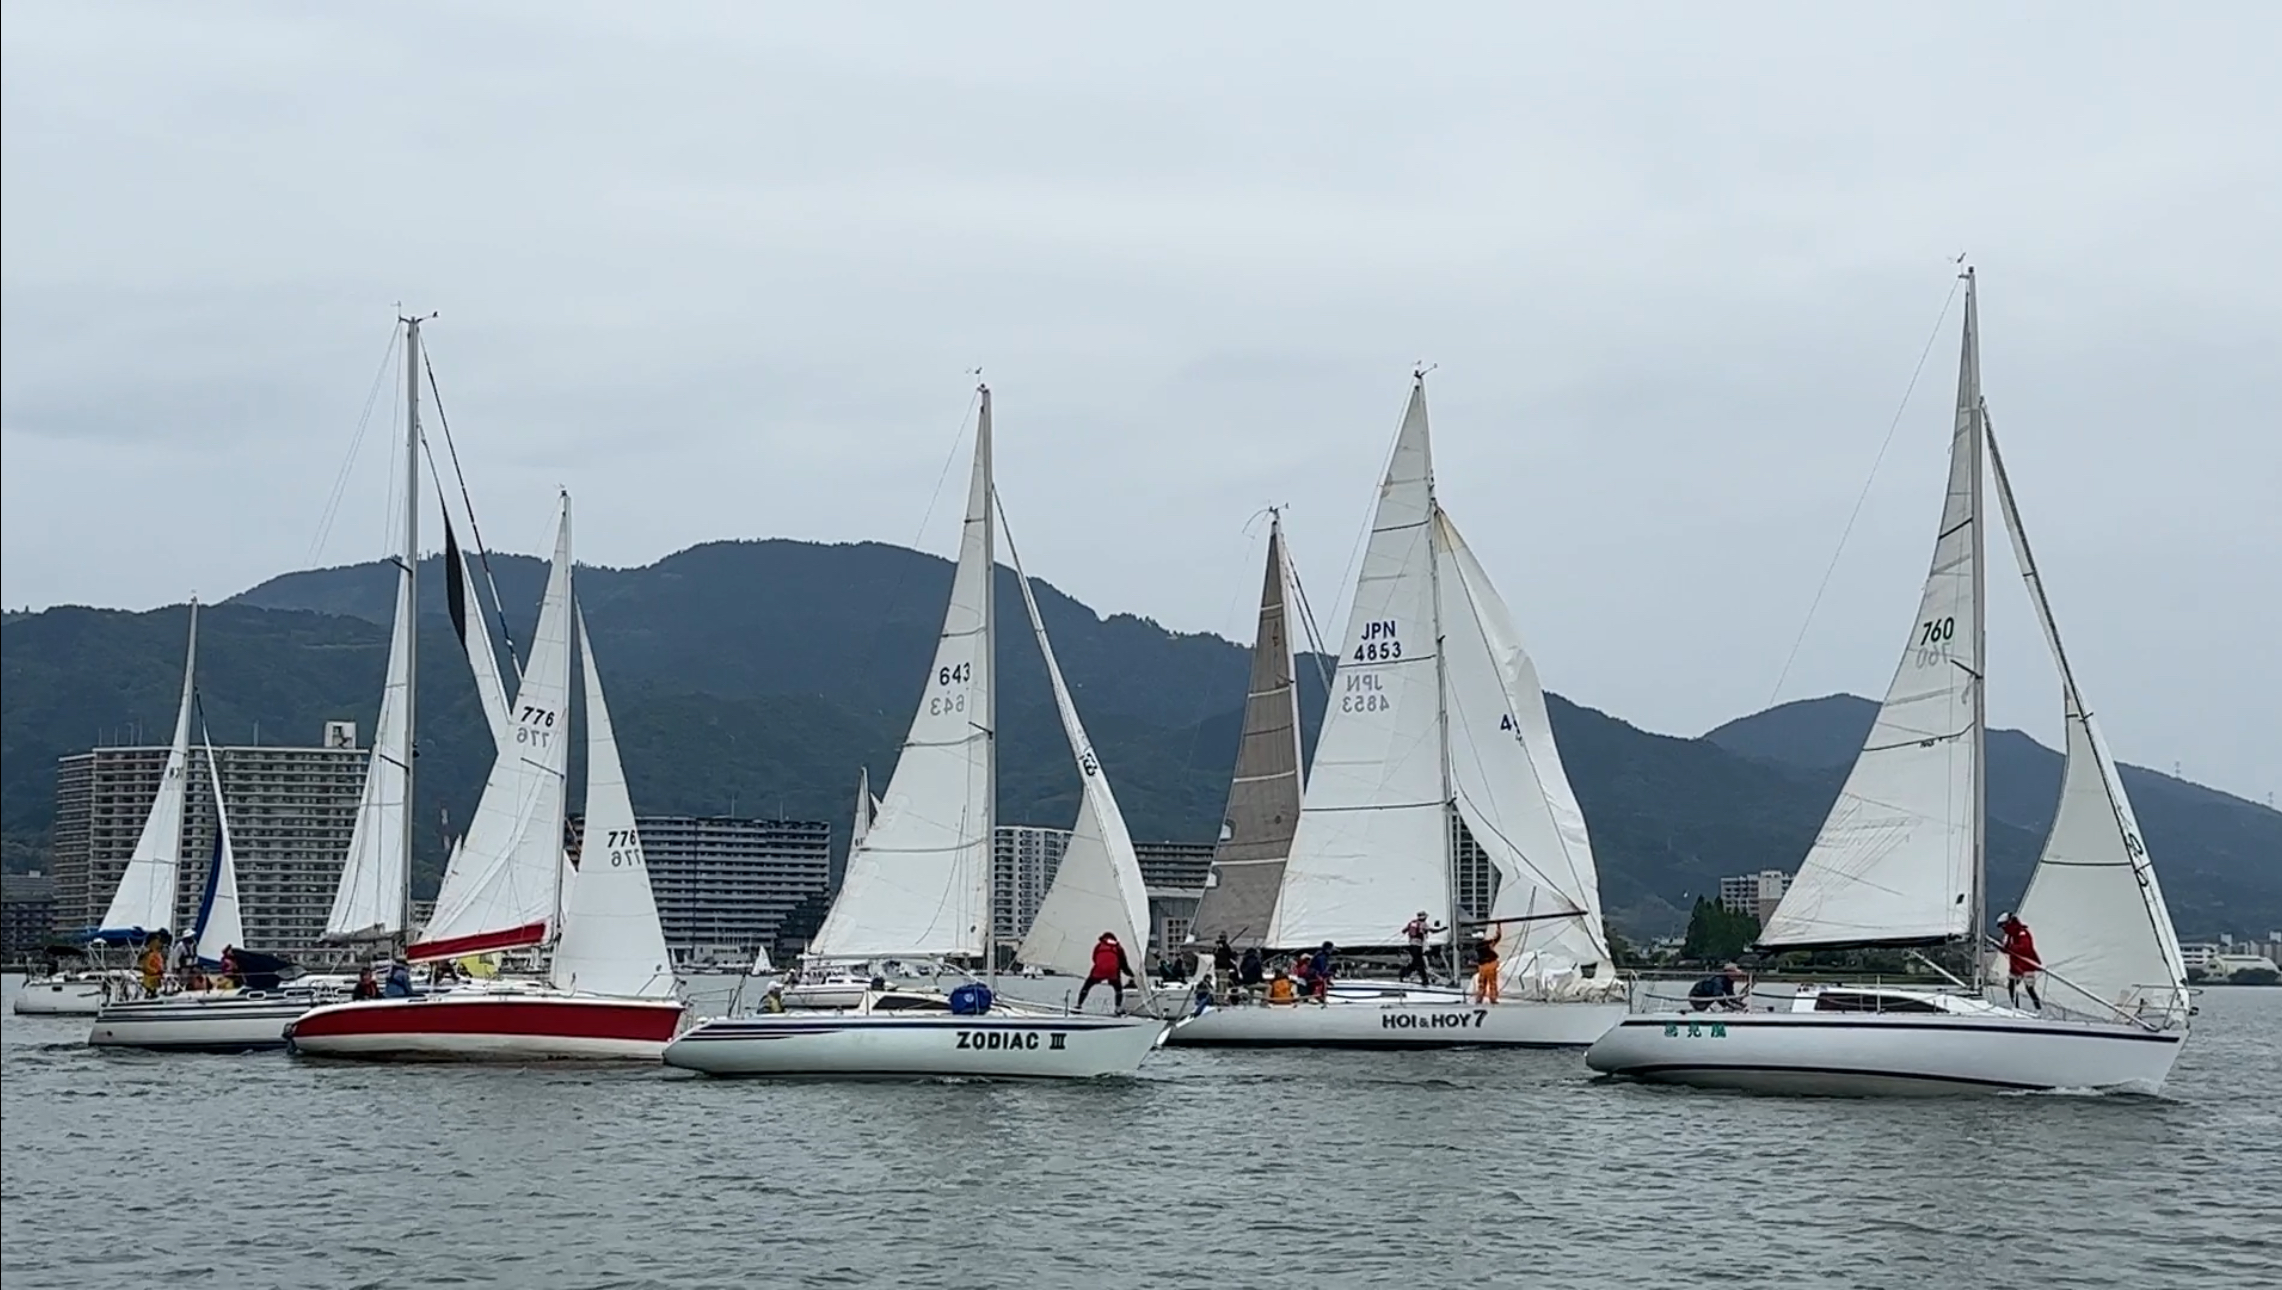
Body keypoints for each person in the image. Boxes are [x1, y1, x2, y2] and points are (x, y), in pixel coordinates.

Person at [1076, 932, 1135, 1012]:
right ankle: (1117, 1008)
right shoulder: (1118, 947)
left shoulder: (1099, 946)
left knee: (1087, 986)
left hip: (1099, 970)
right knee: (1118, 989)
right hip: (1112, 972)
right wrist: (1131, 975)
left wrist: (1100, 965)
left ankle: (1079, 1005)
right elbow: (1123, 964)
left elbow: (1094, 958)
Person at [1998, 913, 2043, 1010]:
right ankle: (2015, 1007)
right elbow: (2007, 949)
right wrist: (2002, 947)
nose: (2003, 929)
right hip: (2016, 966)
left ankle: (2038, 1008)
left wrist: (2010, 948)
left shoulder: (2022, 933)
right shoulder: (2011, 935)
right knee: (2012, 986)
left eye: (2003, 926)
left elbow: (2024, 948)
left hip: (2027, 965)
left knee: (2029, 988)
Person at [1399, 911, 1442, 986]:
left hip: (1412, 945)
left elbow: (1403, 931)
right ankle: (1425, 980)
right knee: (1419, 963)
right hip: (1418, 946)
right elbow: (1432, 931)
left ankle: (1403, 974)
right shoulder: (1423, 924)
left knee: (1415, 963)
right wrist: (1442, 929)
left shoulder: (1412, 923)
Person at [1472, 930, 1502, 1005]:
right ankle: (1493, 999)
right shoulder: (1488, 943)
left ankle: (1479, 998)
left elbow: (1475, 958)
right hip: (1491, 964)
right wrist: (1498, 930)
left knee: (1481, 983)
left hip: (1482, 966)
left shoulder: (1477, 947)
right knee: (1492, 982)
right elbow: (1497, 938)